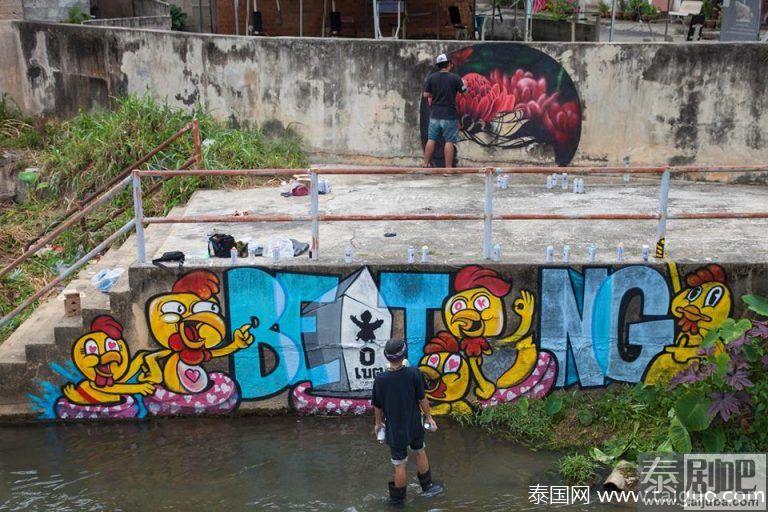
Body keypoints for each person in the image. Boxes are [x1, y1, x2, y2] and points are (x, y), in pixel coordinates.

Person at [372, 339, 440, 504]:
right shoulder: (414, 373)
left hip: (394, 429)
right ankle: (428, 487)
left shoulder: (381, 379)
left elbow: (378, 406)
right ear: (404, 354)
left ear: (387, 357)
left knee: (399, 463)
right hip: (414, 424)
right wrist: (429, 417)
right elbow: (422, 399)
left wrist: (378, 423)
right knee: (419, 450)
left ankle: (398, 500)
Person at [422, 53, 467, 168]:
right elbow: (464, 92)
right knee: (449, 141)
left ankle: (425, 165)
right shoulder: (455, 78)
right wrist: (465, 85)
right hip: (449, 115)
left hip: (435, 114)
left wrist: (435, 94)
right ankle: (448, 169)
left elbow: (426, 94)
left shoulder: (432, 77)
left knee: (431, 139)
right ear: (449, 64)